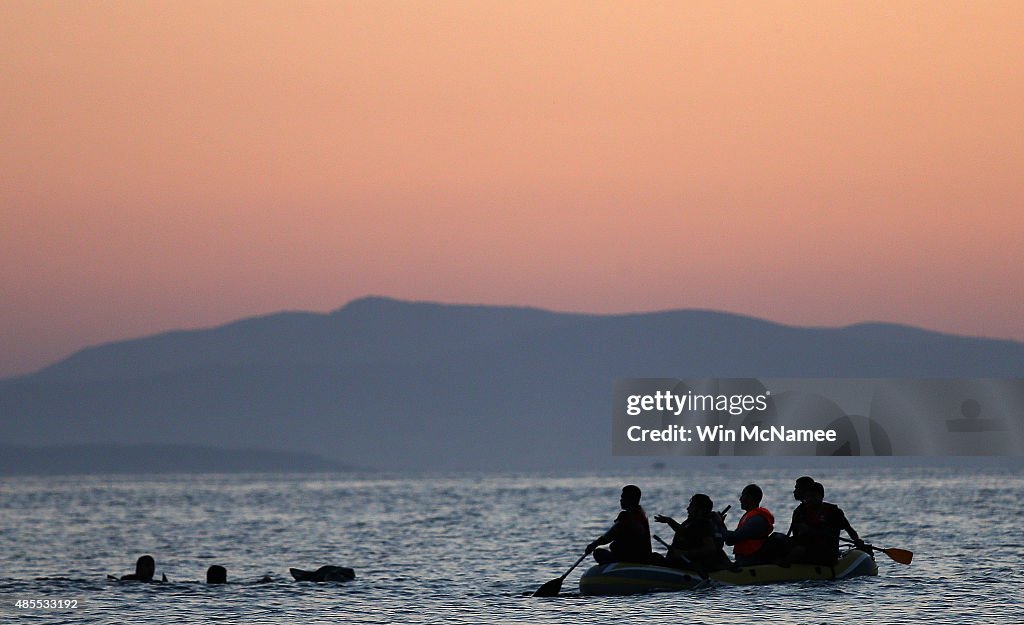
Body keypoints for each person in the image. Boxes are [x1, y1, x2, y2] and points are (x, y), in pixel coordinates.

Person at [787, 481, 864, 565]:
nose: (810, 499)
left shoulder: (833, 511)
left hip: (826, 551)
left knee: (799, 550)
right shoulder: (800, 512)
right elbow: (795, 535)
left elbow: (849, 529)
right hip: (807, 546)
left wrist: (857, 540)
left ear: (821, 496)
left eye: (813, 496)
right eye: (808, 497)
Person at [654, 493, 731, 572]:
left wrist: (684, 553)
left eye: (691, 506)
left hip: (689, 565)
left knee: (654, 558)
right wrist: (669, 521)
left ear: (700, 509)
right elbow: (685, 532)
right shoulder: (695, 522)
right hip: (677, 563)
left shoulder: (703, 524)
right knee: (655, 557)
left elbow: (710, 548)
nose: (687, 508)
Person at [585, 484, 652, 564]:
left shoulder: (626, 516)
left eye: (623, 498)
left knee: (598, 553)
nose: (620, 500)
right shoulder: (642, 514)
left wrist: (594, 544)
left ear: (630, 499)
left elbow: (609, 535)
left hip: (628, 558)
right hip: (640, 557)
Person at [723, 484, 776, 566]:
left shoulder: (757, 520)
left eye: (743, 496)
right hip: (745, 559)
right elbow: (730, 541)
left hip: (752, 560)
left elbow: (734, 537)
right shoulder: (749, 517)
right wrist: (721, 525)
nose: (740, 499)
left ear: (750, 498)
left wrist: (718, 526)